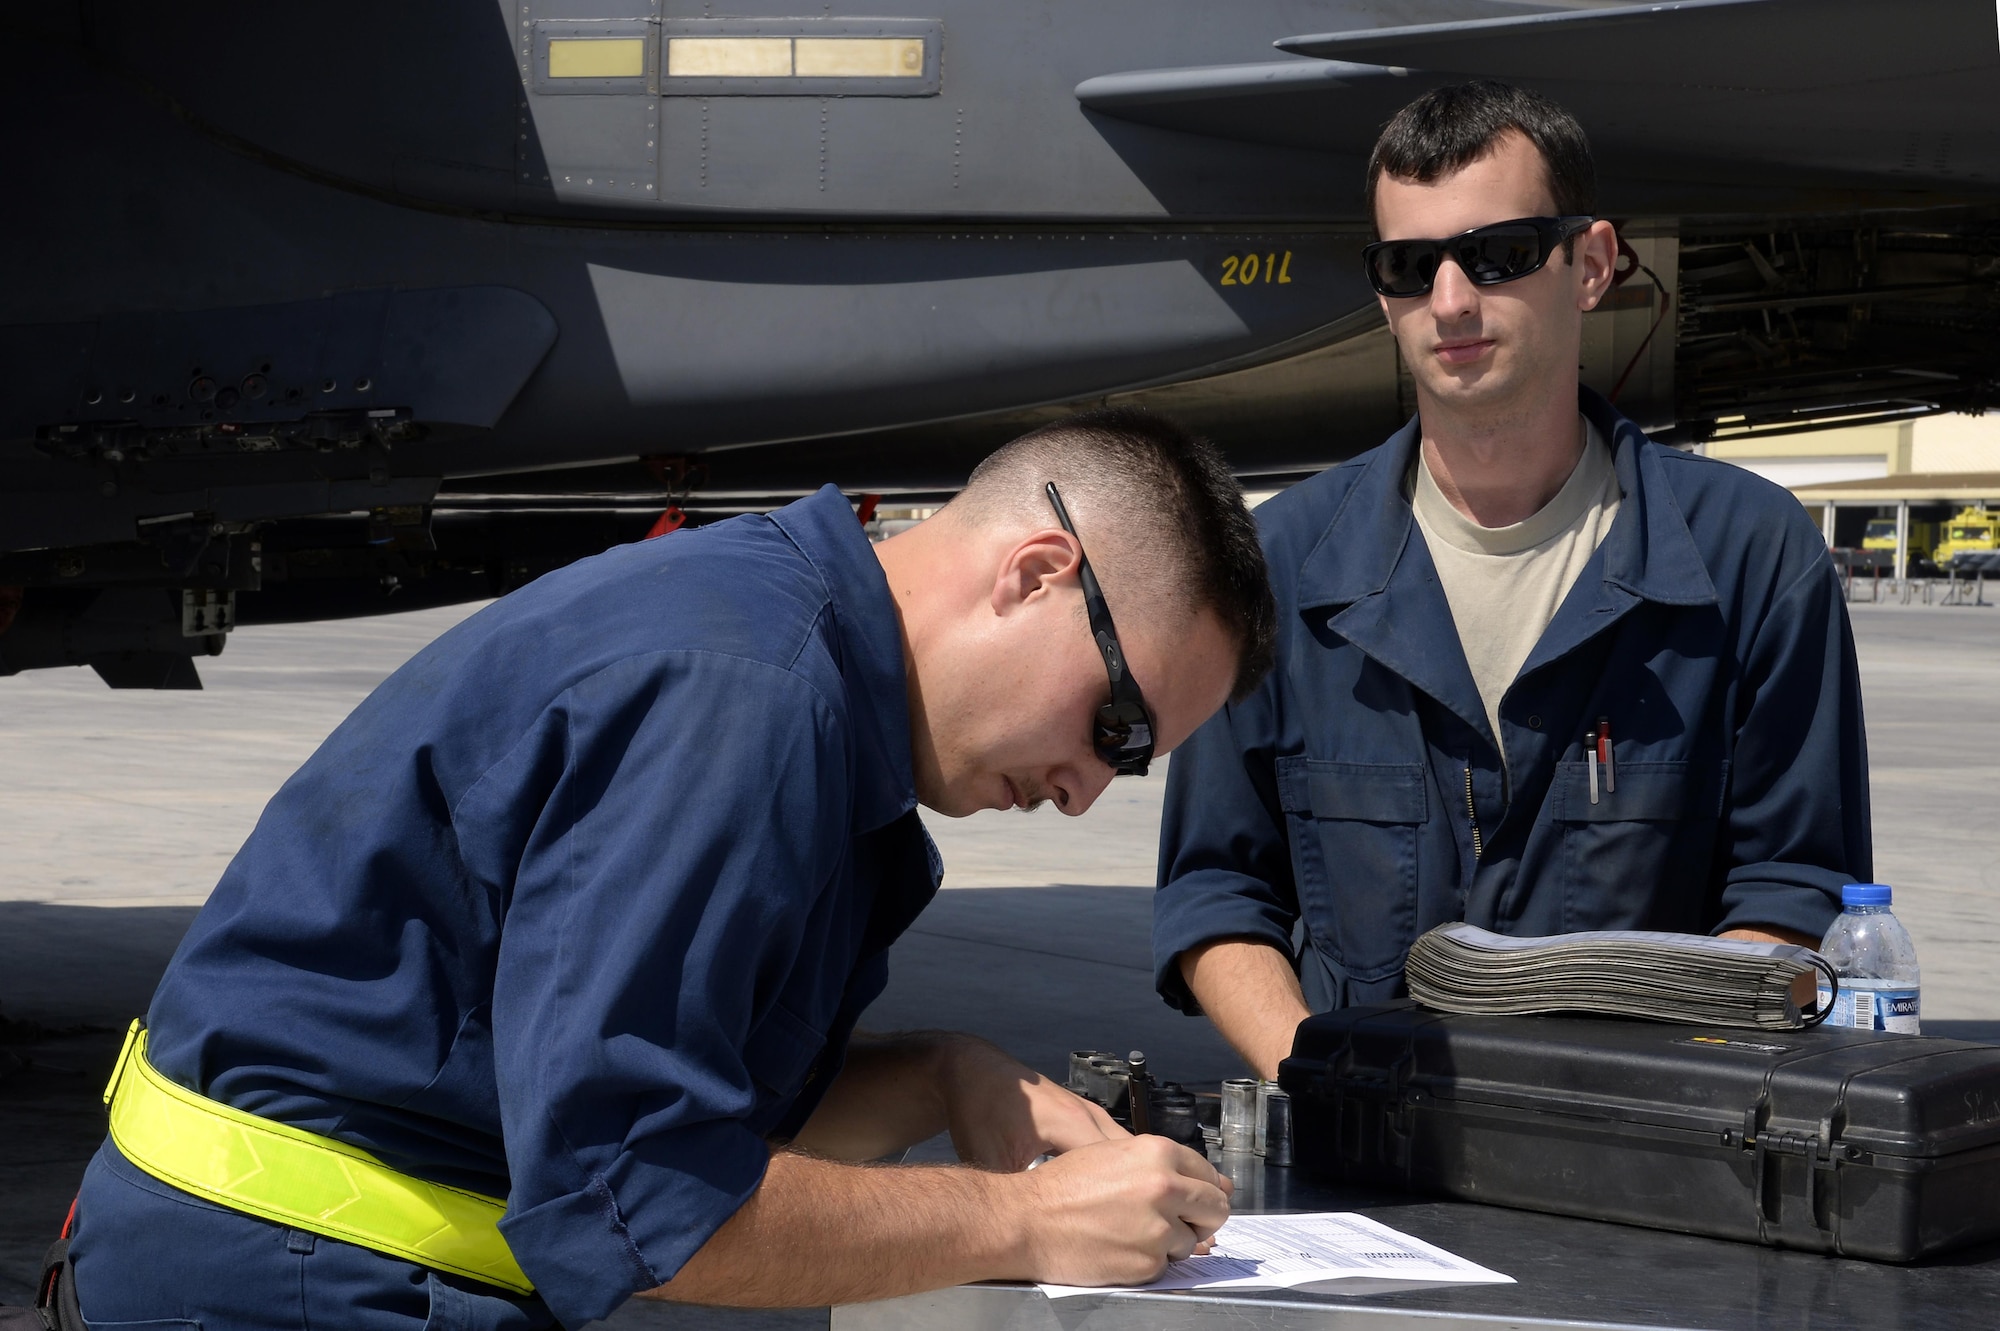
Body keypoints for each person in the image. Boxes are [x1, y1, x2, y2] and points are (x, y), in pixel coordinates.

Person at [66, 407, 1277, 1328]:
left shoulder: (775, 646)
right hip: (290, 1282)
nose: (1084, 791)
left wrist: (941, 1076)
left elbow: (673, 1109)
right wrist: (1028, 1219)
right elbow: (637, 1200)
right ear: (1034, 574)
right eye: (1114, 726)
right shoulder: (740, 699)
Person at [1154, 81, 1871, 1081]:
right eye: (1409, 265)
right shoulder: (1282, 568)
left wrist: (1619, 1093)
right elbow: (1215, 889)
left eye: (1497, 254)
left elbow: (1793, 889)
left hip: (1639, 1158)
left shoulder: (1747, 559)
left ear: (1589, 263)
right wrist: (1317, 1073)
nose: (1448, 299)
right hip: (1363, 1165)